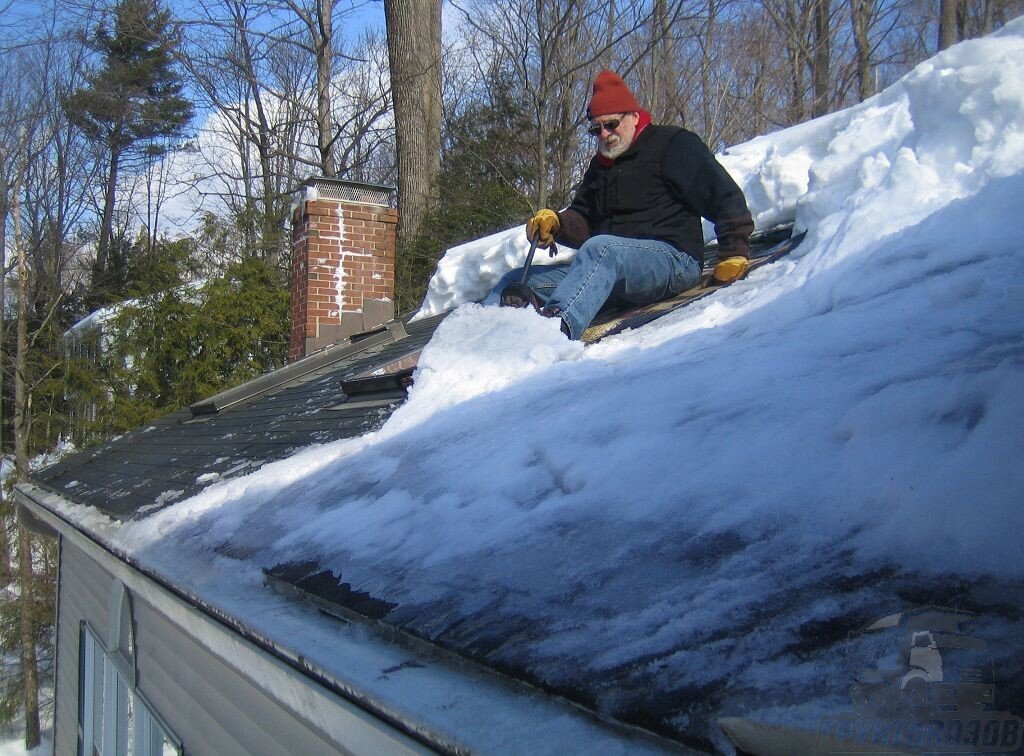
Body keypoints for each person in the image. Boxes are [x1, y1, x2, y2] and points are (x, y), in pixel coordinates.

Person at [488, 70, 754, 340]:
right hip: (611, 269)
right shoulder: (600, 166)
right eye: (596, 129)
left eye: (612, 124)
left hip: (674, 261)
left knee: (602, 249)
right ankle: (479, 340)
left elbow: (722, 195)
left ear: (634, 116)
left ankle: (552, 334)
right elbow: (585, 218)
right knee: (515, 281)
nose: (605, 134)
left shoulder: (673, 144)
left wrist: (735, 251)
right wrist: (556, 223)